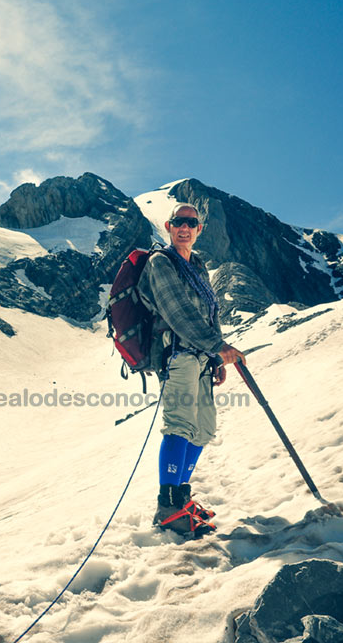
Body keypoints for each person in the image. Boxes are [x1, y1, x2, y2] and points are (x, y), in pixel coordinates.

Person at [137, 202, 245, 537]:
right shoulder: (160, 263)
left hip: (200, 359)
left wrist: (215, 357)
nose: (184, 228)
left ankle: (182, 497)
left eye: (191, 223)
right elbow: (178, 312)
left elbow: (208, 316)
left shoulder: (196, 266)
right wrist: (217, 347)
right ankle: (168, 506)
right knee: (180, 426)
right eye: (178, 222)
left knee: (203, 430)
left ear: (199, 230)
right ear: (168, 228)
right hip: (178, 356)